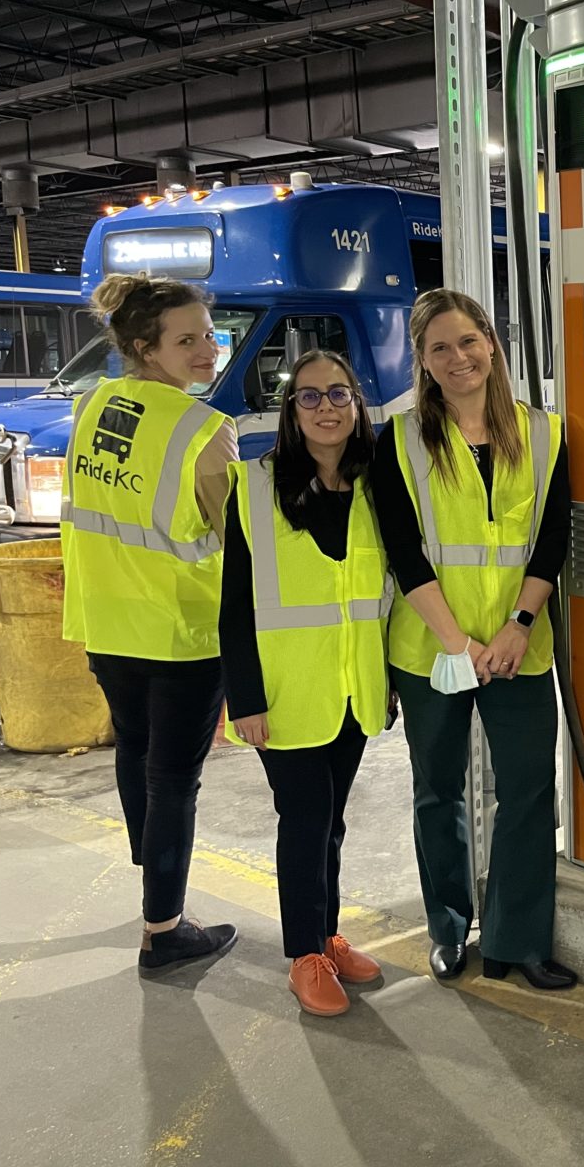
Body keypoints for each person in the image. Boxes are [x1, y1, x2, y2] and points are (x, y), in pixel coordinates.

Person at [369, 288, 577, 990]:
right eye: (440, 348)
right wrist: (457, 641)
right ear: (423, 363)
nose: (458, 358)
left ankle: (519, 939)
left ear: (491, 342)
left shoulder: (544, 434)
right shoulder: (399, 440)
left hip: (520, 647)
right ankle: (449, 929)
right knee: (439, 791)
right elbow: (403, 551)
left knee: (527, 791)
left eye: (468, 341)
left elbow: (552, 540)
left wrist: (519, 625)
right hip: (432, 649)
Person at [61, 274, 239, 974]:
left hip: (106, 621)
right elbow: (235, 536)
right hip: (181, 631)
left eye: (210, 336)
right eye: (187, 340)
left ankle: (153, 878)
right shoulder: (202, 430)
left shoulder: (91, 404)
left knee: (135, 752)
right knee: (173, 780)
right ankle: (164, 930)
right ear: (144, 347)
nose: (207, 351)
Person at [219, 351, 388, 1016]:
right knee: (306, 818)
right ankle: (304, 956)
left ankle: (327, 935)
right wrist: (244, 698)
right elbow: (234, 604)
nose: (325, 408)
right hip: (285, 694)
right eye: (309, 396)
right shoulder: (256, 487)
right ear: (291, 410)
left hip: (352, 688)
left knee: (332, 820)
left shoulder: (375, 484)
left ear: (357, 404)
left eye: (338, 394)